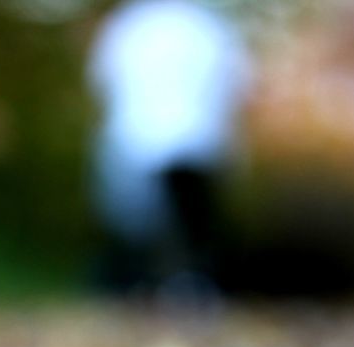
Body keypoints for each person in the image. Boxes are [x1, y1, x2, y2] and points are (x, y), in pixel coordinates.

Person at [88, 0, 248, 297]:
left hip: (137, 138)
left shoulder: (128, 24)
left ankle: (136, 289)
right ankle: (193, 285)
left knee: (138, 223)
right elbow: (237, 82)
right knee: (193, 225)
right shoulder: (209, 26)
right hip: (198, 139)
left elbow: (102, 77)